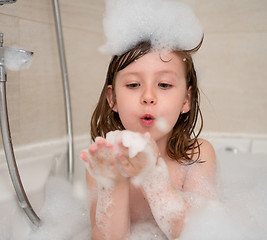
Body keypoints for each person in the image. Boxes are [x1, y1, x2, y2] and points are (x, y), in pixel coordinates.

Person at [80, 39, 216, 239]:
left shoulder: (196, 156)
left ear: (186, 100)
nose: (148, 96)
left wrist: (152, 176)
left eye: (164, 84)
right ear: (113, 99)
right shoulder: (104, 161)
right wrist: (115, 182)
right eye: (133, 84)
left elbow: (202, 231)